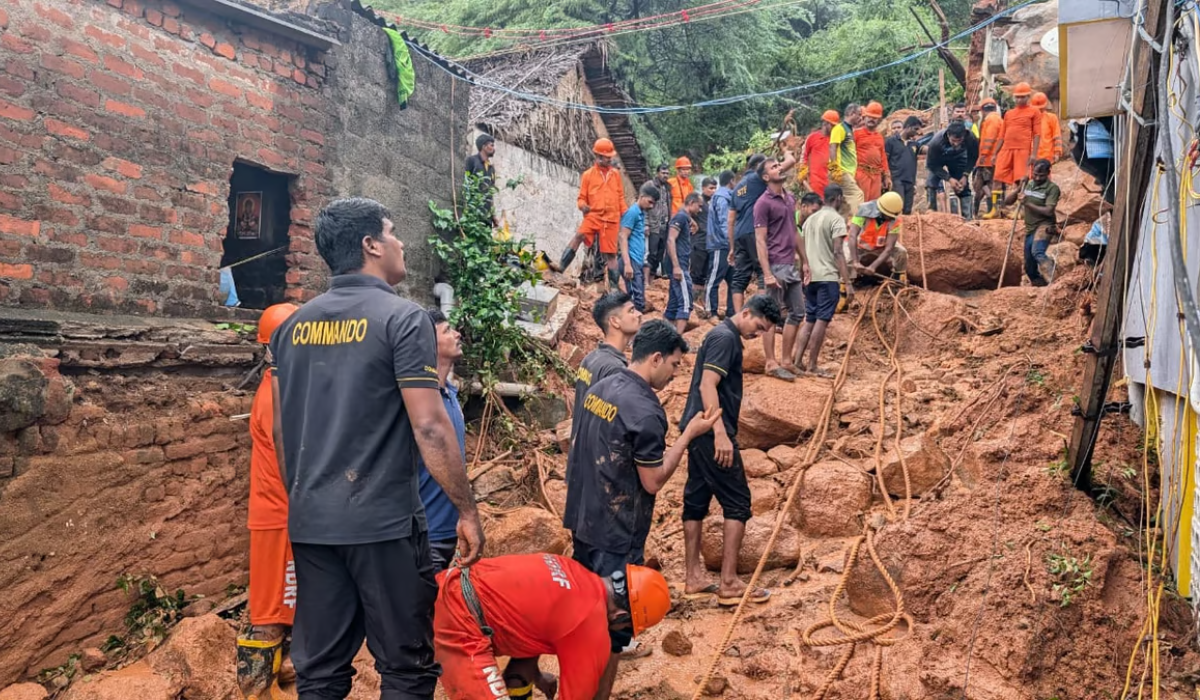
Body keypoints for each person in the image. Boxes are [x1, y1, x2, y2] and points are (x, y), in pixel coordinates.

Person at [269, 197, 484, 700]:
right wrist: (466, 511)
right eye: (392, 231)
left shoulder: (289, 329)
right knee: (406, 668)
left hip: (312, 525)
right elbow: (429, 426)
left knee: (320, 672)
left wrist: (305, 500)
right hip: (384, 526)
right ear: (370, 245)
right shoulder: (403, 320)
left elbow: (283, 434)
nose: (401, 241)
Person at [563, 319, 721, 696]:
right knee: (613, 630)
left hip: (584, 517)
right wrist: (687, 435)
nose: (675, 373)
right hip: (616, 532)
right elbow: (653, 480)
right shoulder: (647, 411)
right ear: (655, 358)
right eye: (675, 365)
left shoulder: (600, 387)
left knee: (582, 614)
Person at [434, 555, 671, 700]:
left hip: (443, 587)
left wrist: (535, 675)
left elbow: (529, 620)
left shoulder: (572, 569)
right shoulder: (591, 626)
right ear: (620, 617)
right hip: (459, 626)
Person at [680, 295, 783, 605]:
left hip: (697, 429)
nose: (758, 333)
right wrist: (721, 434)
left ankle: (693, 576)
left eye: (764, 330)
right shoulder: (725, 338)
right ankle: (728, 581)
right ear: (746, 311)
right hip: (711, 432)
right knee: (738, 501)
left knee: (696, 499)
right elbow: (707, 385)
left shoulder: (722, 335)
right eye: (758, 325)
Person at [238, 302, 299, 700]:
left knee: (285, 601)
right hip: (277, 514)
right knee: (270, 609)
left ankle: (280, 672)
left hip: (282, 511)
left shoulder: (281, 386)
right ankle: (256, 688)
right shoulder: (274, 395)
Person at [418, 310, 469, 574]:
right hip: (426, 534)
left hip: (451, 530)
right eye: (448, 330)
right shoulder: (420, 403)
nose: (457, 334)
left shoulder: (450, 393)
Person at [753, 157, 806, 381]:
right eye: (774, 167)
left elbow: (795, 232)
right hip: (775, 263)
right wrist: (766, 273)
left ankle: (786, 360)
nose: (779, 168)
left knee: (798, 311)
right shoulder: (762, 203)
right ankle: (770, 361)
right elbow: (760, 240)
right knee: (771, 316)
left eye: (778, 165)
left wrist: (805, 261)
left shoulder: (789, 198)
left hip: (790, 263)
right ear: (766, 177)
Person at [570, 291, 642, 442]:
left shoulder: (590, 358)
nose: (639, 314)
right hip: (598, 458)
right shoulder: (615, 369)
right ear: (614, 321)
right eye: (631, 310)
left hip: (581, 451)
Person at [795, 187, 852, 378]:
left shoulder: (810, 219)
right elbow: (838, 252)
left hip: (810, 277)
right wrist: (848, 282)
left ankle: (797, 361)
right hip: (827, 277)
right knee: (822, 320)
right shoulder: (836, 219)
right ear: (838, 198)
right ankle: (812, 365)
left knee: (810, 319)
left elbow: (802, 248)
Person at [554, 138, 626, 289]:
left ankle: (613, 288)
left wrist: (624, 214)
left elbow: (620, 197)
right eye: (608, 156)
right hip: (594, 215)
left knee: (611, 255)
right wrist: (583, 206)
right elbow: (581, 198)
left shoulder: (615, 175)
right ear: (599, 156)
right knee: (579, 236)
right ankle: (561, 267)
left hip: (611, 219)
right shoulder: (588, 175)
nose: (610, 159)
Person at [730, 152, 796, 313]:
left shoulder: (738, 186)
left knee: (739, 277)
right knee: (763, 272)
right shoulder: (757, 178)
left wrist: (731, 246)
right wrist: (785, 151)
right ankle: (760, 314)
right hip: (755, 231)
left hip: (740, 233)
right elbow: (790, 162)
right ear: (761, 169)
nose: (776, 167)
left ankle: (739, 316)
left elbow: (730, 219)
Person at [988, 82, 1043, 219]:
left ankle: (1020, 210)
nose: (1019, 100)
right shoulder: (1009, 114)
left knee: (1021, 180)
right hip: (1006, 149)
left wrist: (1034, 154)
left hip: (1023, 150)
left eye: (1022, 97)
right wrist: (995, 153)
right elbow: (1002, 135)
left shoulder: (1034, 112)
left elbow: (1037, 134)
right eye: (1017, 97)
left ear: (1028, 97)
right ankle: (995, 209)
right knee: (997, 178)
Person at [1003, 158, 1059, 286]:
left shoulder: (1052, 188)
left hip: (1045, 225)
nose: (1038, 178)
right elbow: (1007, 202)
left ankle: (1055, 280)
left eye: (1042, 175)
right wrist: (1018, 189)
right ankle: (1040, 285)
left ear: (1048, 173)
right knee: (1029, 267)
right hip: (1030, 228)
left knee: (1037, 252)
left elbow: (1049, 211)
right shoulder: (1028, 184)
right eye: (1035, 174)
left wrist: (1027, 202)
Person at [849, 191, 908, 284]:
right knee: (846, 257)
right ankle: (844, 288)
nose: (892, 219)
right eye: (889, 216)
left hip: (881, 246)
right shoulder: (863, 211)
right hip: (860, 246)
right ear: (882, 211)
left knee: (901, 253)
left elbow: (889, 248)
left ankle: (898, 281)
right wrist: (855, 261)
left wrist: (873, 266)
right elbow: (852, 236)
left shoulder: (895, 221)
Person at [619, 183, 660, 312]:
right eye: (650, 202)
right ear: (642, 196)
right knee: (636, 300)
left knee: (638, 297)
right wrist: (627, 264)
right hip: (630, 260)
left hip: (636, 261)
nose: (651, 206)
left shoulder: (641, 213)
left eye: (653, 204)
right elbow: (622, 236)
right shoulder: (633, 212)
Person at [666, 193, 703, 332]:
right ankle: (676, 341)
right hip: (679, 267)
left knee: (673, 304)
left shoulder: (683, 217)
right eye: (698, 206)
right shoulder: (681, 217)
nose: (700, 210)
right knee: (686, 304)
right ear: (691, 202)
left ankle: (664, 339)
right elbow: (671, 240)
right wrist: (676, 266)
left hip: (680, 265)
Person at [925, 122, 974, 219]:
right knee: (931, 183)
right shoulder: (936, 142)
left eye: (959, 140)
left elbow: (973, 157)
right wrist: (949, 178)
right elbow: (931, 165)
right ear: (948, 135)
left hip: (958, 158)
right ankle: (931, 214)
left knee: (963, 187)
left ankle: (968, 218)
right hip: (938, 159)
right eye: (953, 141)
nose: (956, 144)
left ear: (964, 136)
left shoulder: (971, 138)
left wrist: (965, 174)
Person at [705, 170, 736, 319]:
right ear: (731, 181)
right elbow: (725, 224)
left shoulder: (722, 197)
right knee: (714, 279)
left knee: (733, 280)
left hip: (725, 245)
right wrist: (732, 244)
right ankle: (711, 312)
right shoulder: (723, 198)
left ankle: (731, 312)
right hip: (720, 245)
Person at [829, 102, 865, 214]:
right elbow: (832, 146)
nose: (860, 118)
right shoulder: (839, 128)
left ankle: (844, 223)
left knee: (843, 200)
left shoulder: (849, 130)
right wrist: (834, 168)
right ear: (850, 113)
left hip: (847, 172)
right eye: (858, 114)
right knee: (857, 195)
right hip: (841, 171)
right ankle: (855, 221)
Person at [853, 101, 889, 202]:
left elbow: (883, 157)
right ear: (864, 117)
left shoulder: (879, 137)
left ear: (879, 120)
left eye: (875, 117)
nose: (871, 119)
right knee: (860, 204)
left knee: (873, 205)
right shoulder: (856, 134)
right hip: (860, 173)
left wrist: (886, 176)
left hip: (876, 176)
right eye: (869, 116)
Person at [885, 116, 922, 215]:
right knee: (897, 206)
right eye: (916, 129)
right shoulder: (890, 142)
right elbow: (885, 160)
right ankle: (893, 229)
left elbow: (926, 149)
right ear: (909, 127)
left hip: (910, 181)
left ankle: (904, 230)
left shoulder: (914, 144)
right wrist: (886, 177)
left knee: (907, 210)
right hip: (896, 179)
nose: (917, 132)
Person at [692, 177, 717, 318]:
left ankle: (701, 301)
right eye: (710, 188)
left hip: (711, 243)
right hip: (699, 242)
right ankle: (694, 302)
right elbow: (685, 212)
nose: (713, 191)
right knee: (697, 273)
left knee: (707, 273)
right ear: (703, 188)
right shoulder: (698, 202)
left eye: (715, 188)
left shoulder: (715, 202)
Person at [975, 98, 1003, 217]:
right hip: (994, 158)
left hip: (987, 160)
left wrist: (984, 154)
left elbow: (989, 139)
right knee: (984, 185)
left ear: (982, 110)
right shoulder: (998, 119)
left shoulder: (991, 120)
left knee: (985, 184)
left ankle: (991, 210)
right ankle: (985, 210)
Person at [645, 164, 674, 280]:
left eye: (667, 173)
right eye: (663, 173)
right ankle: (646, 280)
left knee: (660, 253)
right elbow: (644, 205)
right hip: (653, 225)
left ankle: (652, 279)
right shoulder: (650, 186)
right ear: (657, 173)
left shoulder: (668, 187)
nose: (665, 175)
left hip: (665, 225)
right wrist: (646, 223)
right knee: (651, 253)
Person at [465, 133, 498, 226]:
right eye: (491, 145)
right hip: (473, 211)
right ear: (484, 146)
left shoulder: (491, 168)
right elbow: (465, 183)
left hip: (486, 216)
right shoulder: (471, 161)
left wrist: (493, 215)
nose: (493, 149)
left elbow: (490, 194)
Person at [800, 111, 837, 196]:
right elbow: (804, 157)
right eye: (832, 125)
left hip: (829, 183)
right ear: (825, 123)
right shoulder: (812, 137)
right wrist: (803, 176)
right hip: (814, 183)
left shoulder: (835, 140)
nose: (834, 128)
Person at [1032, 92, 1064, 162]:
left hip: (1047, 157)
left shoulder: (1052, 118)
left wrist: (1057, 152)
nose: (1039, 110)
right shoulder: (1029, 119)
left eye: (1041, 108)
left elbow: (1057, 136)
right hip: (1033, 157)